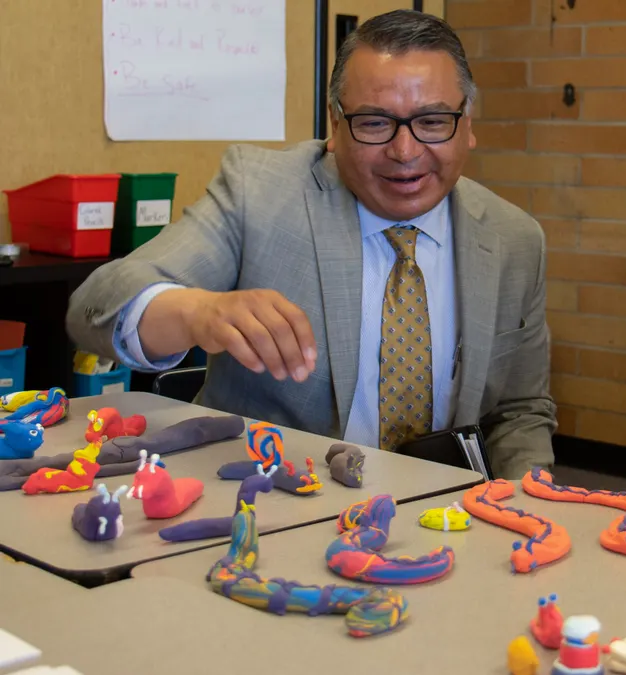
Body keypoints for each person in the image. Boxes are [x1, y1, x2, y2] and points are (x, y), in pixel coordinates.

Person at [66, 10, 555, 479]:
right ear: (335, 124)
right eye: (374, 123)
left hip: (442, 523)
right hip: (269, 504)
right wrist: (196, 313)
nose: (404, 152)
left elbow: (520, 412)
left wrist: (524, 499)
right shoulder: (258, 193)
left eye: (431, 122)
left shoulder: (514, 240)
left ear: (467, 124)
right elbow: (97, 307)